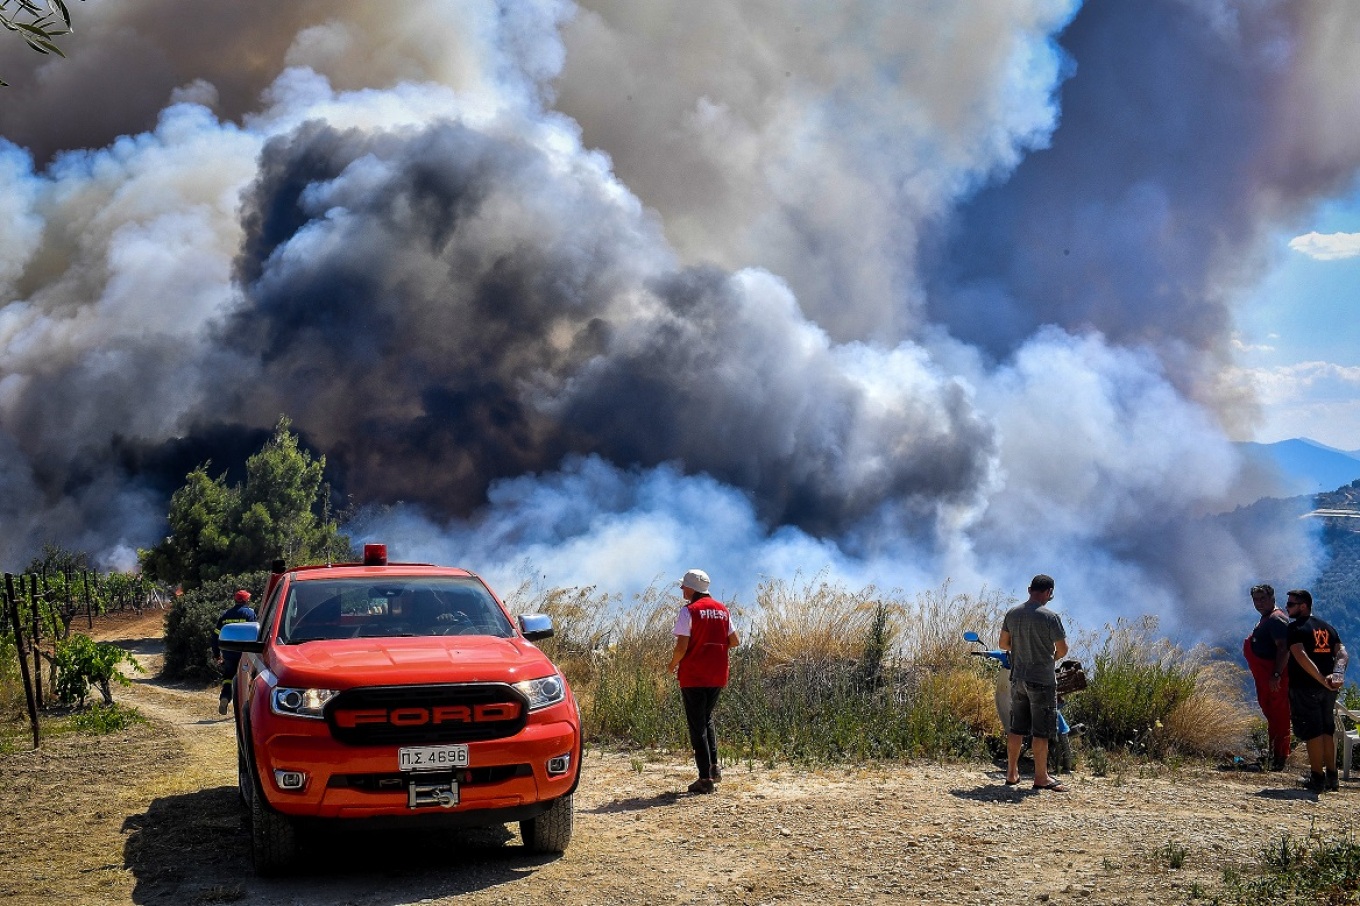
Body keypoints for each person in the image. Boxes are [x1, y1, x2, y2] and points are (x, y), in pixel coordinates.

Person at [666, 568, 739, 794]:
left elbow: (681, 647)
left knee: (697, 726)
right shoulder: (723, 610)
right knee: (706, 719)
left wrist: (671, 665)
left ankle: (704, 779)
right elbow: (734, 641)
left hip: (694, 675)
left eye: (683, 585)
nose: (681, 589)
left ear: (692, 588)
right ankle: (714, 768)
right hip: (717, 674)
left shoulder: (689, 611)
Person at [999, 574, 1069, 792]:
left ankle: (1011, 773)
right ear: (1048, 592)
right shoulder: (1050, 617)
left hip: (1018, 678)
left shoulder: (1013, 613)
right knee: (1041, 731)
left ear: (1029, 589)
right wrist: (1051, 657)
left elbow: (1003, 644)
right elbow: (1063, 649)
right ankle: (1041, 777)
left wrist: (1022, 650)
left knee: (1016, 728)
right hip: (1042, 680)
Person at [1283, 589, 1348, 792]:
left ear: (1303, 606)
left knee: (1313, 732)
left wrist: (1320, 679)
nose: (1287, 608)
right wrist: (1337, 675)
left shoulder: (1295, 629)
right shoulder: (1327, 628)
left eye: (1291, 604)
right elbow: (1343, 653)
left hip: (1306, 687)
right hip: (1330, 688)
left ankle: (1317, 778)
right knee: (1327, 730)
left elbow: (1300, 656)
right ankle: (1332, 776)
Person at [1243, 584, 1292, 770]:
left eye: (1263, 598)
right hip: (1266, 678)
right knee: (1273, 716)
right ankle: (1274, 755)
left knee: (1280, 716)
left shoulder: (1276, 619)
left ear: (1272, 598)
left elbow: (1283, 647)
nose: (1259, 603)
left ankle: (1280, 758)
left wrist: (1276, 674)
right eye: (1256, 599)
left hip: (1275, 679)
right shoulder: (1266, 619)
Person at [213, 589, 257, 715]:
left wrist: (216, 654)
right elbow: (255, 632)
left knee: (228, 676)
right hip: (245, 653)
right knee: (248, 678)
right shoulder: (250, 614)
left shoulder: (226, 615)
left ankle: (225, 698)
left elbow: (215, 636)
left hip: (228, 653)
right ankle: (245, 708)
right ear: (246, 600)